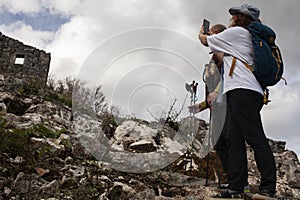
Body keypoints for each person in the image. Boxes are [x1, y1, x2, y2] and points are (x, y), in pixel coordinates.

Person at [198, 4, 276, 199]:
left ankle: (268, 188)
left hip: (244, 91)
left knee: (255, 137)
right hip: (239, 91)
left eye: (234, 15)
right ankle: (237, 186)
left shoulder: (238, 33)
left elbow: (205, 41)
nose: (231, 18)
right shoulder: (244, 36)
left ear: (240, 18)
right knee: (234, 139)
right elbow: (222, 55)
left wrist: (202, 33)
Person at [188, 24, 229, 182]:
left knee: (228, 141)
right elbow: (214, 91)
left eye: (212, 34)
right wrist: (202, 106)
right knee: (219, 143)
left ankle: (239, 183)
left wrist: (216, 94)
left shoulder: (225, 55)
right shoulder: (214, 58)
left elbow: (226, 78)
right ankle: (234, 180)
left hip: (226, 105)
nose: (209, 37)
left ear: (218, 35)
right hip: (217, 106)